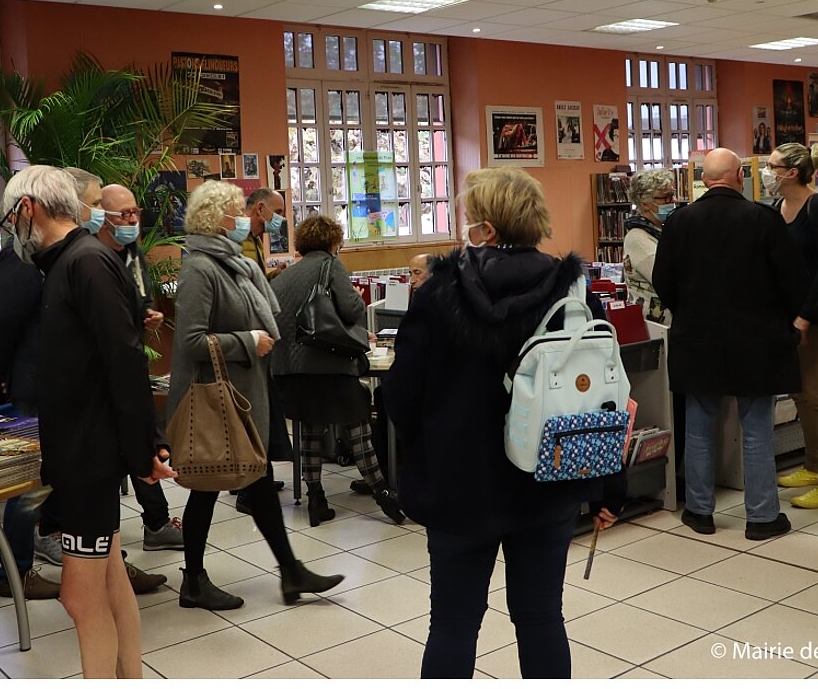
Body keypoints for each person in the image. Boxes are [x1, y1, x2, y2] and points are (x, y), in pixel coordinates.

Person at [383, 167, 624, 678]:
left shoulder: (438, 293)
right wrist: (607, 486)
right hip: (548, 479)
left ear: (487, 228)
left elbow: (401, 395)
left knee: (452, 624)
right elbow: (602, 397)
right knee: (541, 618)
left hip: (457, 483)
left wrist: (426, 449)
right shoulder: (574, 292)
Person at [2, 164, 173, 678]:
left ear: (28, 208)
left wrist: (144, 447)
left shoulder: (85, 261)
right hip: (81, 450)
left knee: (79, 596)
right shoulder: (69, 261)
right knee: (111, 580)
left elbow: (124, 360)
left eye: (10, 219)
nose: (12, 230)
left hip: (90, 456)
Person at [170, 180, 343, 610]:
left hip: (247, 393)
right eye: (237, 212)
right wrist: (248, 340)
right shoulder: (200, 268)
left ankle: (291, 571)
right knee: (208, 486)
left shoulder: (235, 264)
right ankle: (193, 581)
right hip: (219, 399)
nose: (245, 218)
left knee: (260, 481)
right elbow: (190, 342)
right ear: (216, 219)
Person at [652, 149, 806, 542]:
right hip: (757, 339)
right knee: (756, 429)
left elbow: (663, 281)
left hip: (697, 338)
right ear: (740, 175)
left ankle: (700, 511)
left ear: (704, 180)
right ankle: (762, 517)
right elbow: (792, 279)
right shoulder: (762, 218)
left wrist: (689, 311)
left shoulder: (679, 221)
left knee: (699, 426)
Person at [268, 214, 404, 526]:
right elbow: (352, 310)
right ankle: (383, 493)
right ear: (333, 242)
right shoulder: (331, 266)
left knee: (311, 430)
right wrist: (354, 296)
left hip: (289, 370)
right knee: (357, 427)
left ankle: (316, 498)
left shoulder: (283, 277)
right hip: (328, 365)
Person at [95, 182, 186, 553]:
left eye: (136, 212)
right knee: (122, 448)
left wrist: (148, 314)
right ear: (102, 217)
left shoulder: (132, 251)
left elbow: (140, 297)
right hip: (102, 372)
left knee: (138, 443)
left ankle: (156, 522)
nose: (133, 220)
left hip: (130, 361)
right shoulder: (91, 258)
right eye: (125, 214)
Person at [764, 143, 818, 509]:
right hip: (790, 317)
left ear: (792, 172)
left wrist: (805, 317)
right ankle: (813, 465)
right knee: (801, 394)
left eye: (772, 166)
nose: (766, 171)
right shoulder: (777, 207)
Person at [0, 213, 64, 600]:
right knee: (29, 475)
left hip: (53, 379)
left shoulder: (52, 253)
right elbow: (1, 319)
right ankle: (16, 571)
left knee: (48, 474)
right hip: (34, 383)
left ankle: (50, 539)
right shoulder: (20, 255)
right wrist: (2, 370)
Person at [232, 186, 291, 513]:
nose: (280, 218)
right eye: (277, 212)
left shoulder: (254, 240)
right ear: (259, 210)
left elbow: (255, 283)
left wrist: (273, 275)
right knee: (251, 415)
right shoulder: (240, 241)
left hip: (257, 336)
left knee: (260, 414)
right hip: (246, 339)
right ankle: (248, 489)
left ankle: (258, 480)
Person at [623, 168, 676, 324]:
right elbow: (667, 278)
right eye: (665, 198)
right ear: (645, 204)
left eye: (672, 195)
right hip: (655, 325)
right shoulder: (637, 238)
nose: (672, 201)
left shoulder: (661, 231)